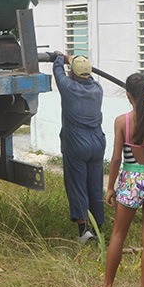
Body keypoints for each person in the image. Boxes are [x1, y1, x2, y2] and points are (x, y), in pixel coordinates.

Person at [91, 73, 144, 287]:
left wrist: (110, 188)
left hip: (130, 181)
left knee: (118, 234)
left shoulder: (121, 122)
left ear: (128, 95)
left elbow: (116, 159)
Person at [53, 51, 107, 243]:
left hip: (77, 144)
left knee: (77, 186)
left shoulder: (68, 87)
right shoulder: (97, 88)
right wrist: (76, 61)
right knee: (95, 186)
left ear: (72, 74)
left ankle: (83, 232)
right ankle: (98, 228)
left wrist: (60, 57)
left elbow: (56, 69)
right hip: (97, 143)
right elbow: (87, 75)